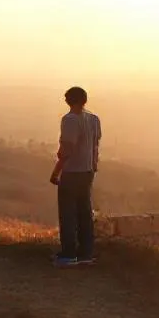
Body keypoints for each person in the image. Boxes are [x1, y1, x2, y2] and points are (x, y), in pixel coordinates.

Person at [49, 86, 101, 267]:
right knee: (84, 213)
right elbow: (95, 147)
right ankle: (86, 253)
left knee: (68, 213)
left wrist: (56, 172)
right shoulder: (94, 120)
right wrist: (93, 168)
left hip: (72, 172)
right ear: (85, 100)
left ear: (67, 100)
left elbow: (67, 151)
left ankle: (68, 254)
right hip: (87, 171)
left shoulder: (69, 120)